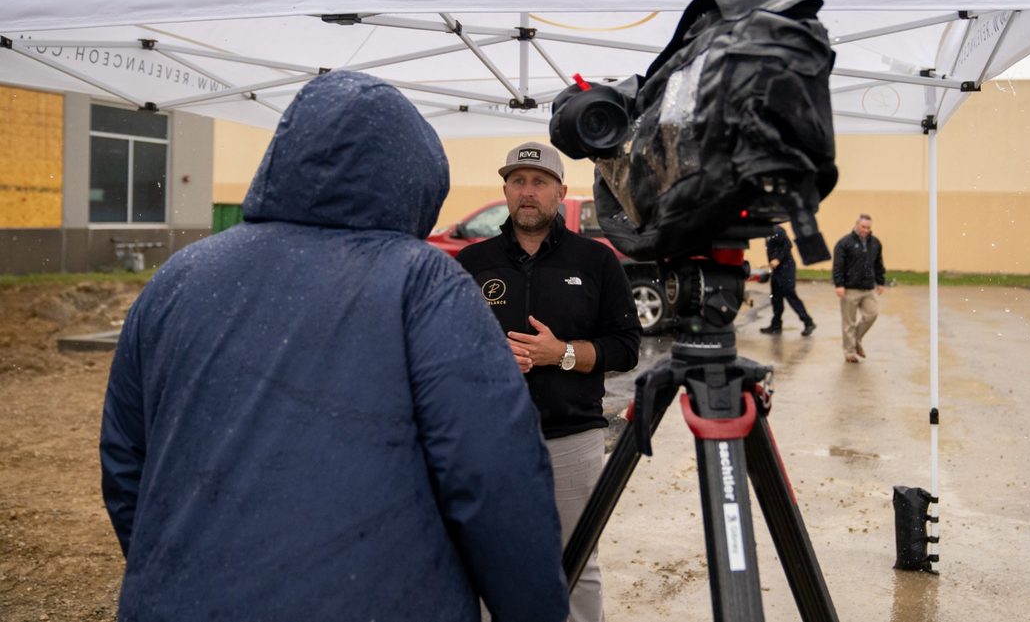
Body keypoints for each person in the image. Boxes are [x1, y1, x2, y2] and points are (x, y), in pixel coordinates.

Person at [99, 72, 568, 622]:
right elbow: (493, 474)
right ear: (414, 182)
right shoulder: (422, 281)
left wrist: (181, 569)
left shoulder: (178, 276)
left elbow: (126, 462)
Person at [457, 141, 641, 622]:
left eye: (539, 182)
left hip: (572, 437)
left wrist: (561, 354)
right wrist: (489, 360)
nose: (527, 191)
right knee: (486, 559)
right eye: (518, 181)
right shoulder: (471, 262)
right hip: (491, 438)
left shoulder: (596, 261)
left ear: (561, 192)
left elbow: (626, 347)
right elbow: (442, 349)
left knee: (577, 562)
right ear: (505, 190)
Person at [832, 213, 886, 363]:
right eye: (863, 226)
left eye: (868, 227)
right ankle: (849, 352)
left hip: (868, 288)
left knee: (872, 314)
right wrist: (839, 284)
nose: (866, 230)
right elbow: (838, 266)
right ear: (856, 224)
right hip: (849, 289)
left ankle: (855, 340)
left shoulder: (875, 243)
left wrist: (881, 282)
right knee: (848, 322)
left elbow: (878, 264)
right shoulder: (844, 243)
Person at [759, 224, 816, 336]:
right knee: (776, 298)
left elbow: (787, 245)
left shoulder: (777, 230)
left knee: (790, 296)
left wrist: (778, 259)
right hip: (777, 270)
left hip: (786, 269)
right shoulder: (767, 233)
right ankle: (776, 325)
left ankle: (808, 322)